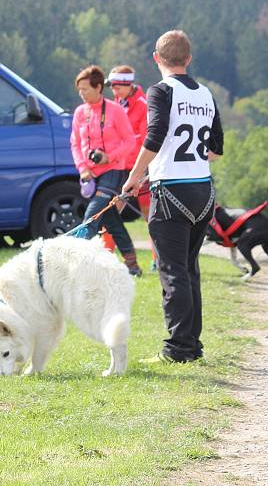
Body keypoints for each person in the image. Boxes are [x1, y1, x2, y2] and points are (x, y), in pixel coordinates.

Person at [122, 30, 223, 363]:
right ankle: (192, 346)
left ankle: (178, 349)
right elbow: (216, 150)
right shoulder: (206, 93)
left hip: (172, 193)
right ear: (189, 59)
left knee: (173, 271)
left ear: (156, 58)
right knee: (189, 269)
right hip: (203, 190)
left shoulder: (161, 91)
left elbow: (154, 135)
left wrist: (135, 178)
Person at [70, 65, 141, 275]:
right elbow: (74, 144)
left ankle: (75, 261)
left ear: (99, 87)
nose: (82, 94)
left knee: (93, 214)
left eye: (86, 89)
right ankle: (133, 266)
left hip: (113, 171)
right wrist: (83, 169)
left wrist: (109, 157)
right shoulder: (79, 112)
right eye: (79, 90)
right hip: (89, 174)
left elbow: (130, 142)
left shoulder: (115, 110)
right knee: (112, 220)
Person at [103, 65, 157, 270]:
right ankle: (105, 258)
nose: (114, 92)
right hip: (120, 168)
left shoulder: (143, 105)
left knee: (150, 218)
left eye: (117, 87)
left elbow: (145, 140)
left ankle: (157, 261)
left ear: (128, 84)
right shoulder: (117, 103)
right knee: (110, 214)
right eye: (112, 88)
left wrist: (139, 170)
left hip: (141, 170)